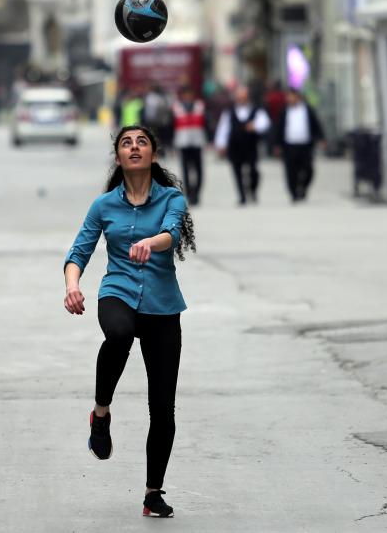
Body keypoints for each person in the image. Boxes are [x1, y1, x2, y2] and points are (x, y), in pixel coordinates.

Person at [62, 125, 197, 520]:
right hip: (117, 292)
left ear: (153, 154)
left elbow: (170, 233)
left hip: (162, 304)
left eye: (142, 142)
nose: (134, 147)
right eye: (126, 143)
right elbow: (79, 251)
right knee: (119, 334)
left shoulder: (172, 198)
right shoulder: (103, 206)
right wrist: (72, 286)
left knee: (163, 408)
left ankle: (153, 493)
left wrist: (150, 242)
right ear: (118, 157)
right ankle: (101, 414)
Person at [214, 85, 272, 205]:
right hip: (235, 146)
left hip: (250, 146)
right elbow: (223, 128)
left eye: (244, 97)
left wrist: (255, 126)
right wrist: (221, 144)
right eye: (239, 97)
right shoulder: (229, 111)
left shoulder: (256, 110)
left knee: (253, 170)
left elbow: (265, 123)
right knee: (237, 171)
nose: (241, 99)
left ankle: (253, 190)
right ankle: (242, 195)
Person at [274, 88, 326, 203]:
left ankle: (303, 187)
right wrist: (277, 145)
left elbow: (316, 125)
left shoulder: (307, 110)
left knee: (308, 170)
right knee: (290, 171)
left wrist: (321, 138)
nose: (290, 99)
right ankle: (293, 193)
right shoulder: (284, 111)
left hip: (305, 145)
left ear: (298, 97)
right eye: (288, 97)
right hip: (289, 145)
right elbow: (279, 129)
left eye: (292, 96)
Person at [171, 86, 206, 205]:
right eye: (186, 94)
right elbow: (171, 125)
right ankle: (190, 194)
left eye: (189, 94)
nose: (188, 97)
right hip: (183, 141)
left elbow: (206, 122)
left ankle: (197, 192)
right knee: (185, 169)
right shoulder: (177, 107)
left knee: (198, 169)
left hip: (197, 141)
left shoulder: (199, 106)